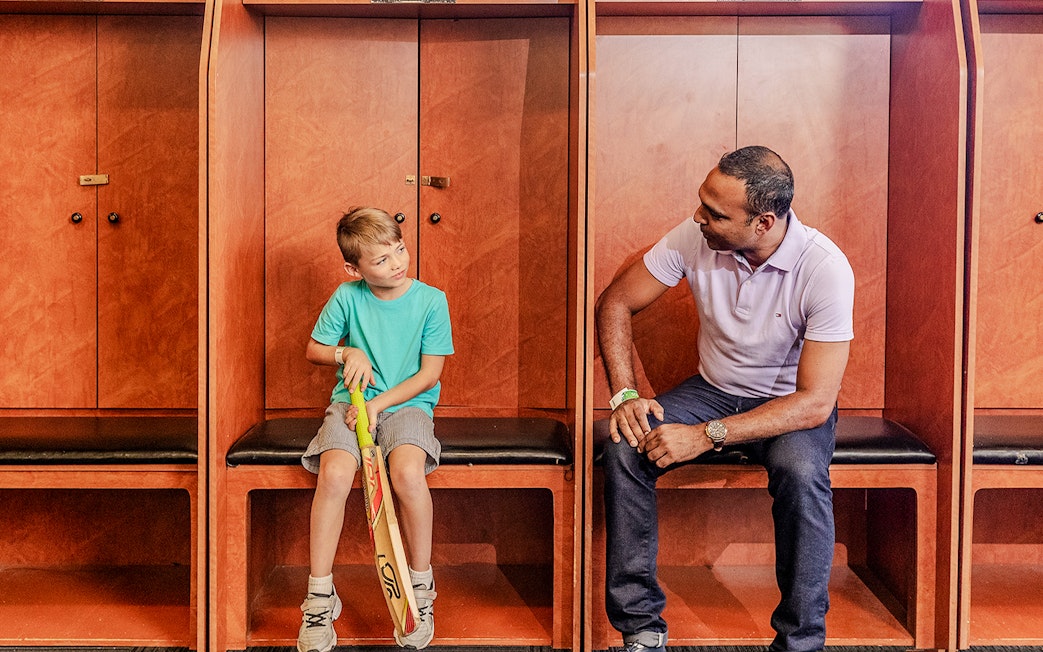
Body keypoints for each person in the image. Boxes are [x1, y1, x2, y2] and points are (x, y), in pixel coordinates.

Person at [595, 146, 854, 652]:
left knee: (802, 476)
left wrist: (704, 437)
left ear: (763, 222)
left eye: (715, 212)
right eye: (702, 203)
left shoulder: (824, 268)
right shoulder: (695, 237)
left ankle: (800, 642)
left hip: (788, 405)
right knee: (626, 446)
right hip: (712, 390)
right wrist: (625, 393)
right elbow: (616, 302)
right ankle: (641, 628)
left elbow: (816, 403)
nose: (699, 218)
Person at [297, 207, 454, 652]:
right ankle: (320, 599)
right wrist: (346, 355)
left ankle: (420, 592)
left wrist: (378, 403)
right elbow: (315, 348)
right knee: (334, 476)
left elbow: (428, 375)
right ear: (354, 268)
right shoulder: (347, 296)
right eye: (382, 260)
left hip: (408, 407)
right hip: (349, 406)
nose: (397, 263)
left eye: (399, 250)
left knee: (406, 474)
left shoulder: (431, 300)